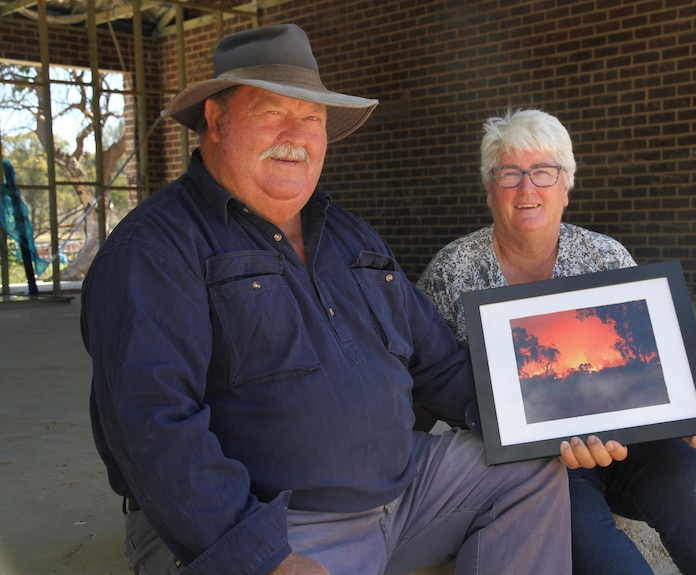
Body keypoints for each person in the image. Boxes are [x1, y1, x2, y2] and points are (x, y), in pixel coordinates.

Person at [81, 27, 572, 575]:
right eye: (272, 111)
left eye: (312, 118)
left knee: (529, 470)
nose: (296, 135)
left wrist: (553, 419)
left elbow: (443, 365)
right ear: (216, 121)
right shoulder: (155, 249)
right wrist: (261, 557)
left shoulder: (352, 237)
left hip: (404, 497)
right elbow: (152, 426)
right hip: (276, 525)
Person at [417, 108, 696, 574]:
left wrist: (689, 410)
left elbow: (651, 364)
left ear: (566, 186)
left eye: (544, 173)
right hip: (534, 469)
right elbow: (424, 383)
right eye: (510, 173)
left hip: (630, 446)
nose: (527, 188)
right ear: (490, 188)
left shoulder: (606, 256)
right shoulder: (452, 272)